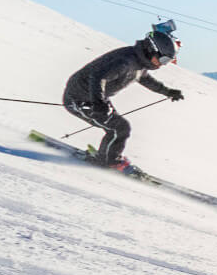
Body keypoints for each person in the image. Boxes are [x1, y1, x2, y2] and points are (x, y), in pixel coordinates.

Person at [63, 23, 184, 168]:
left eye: (168, 61)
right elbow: (98, 77)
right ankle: (108, 161)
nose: (163, 64)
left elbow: (144, 78)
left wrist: (167, 91)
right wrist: (99, 103)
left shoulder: (139, 62)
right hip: (79, 98)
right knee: (119, 128)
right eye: (164, 60)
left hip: (94, 98)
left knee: (119, 128)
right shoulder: (126, 62)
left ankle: (108, 158)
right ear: (152, 50)